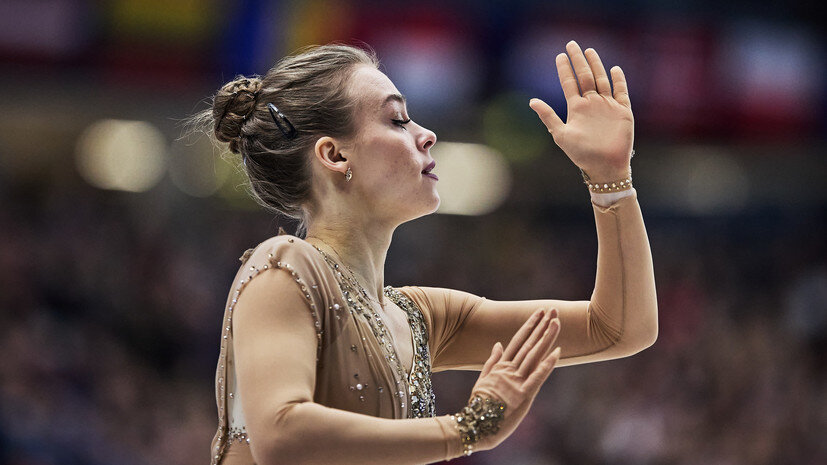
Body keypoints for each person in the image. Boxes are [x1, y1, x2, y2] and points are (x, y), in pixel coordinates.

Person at [204, 40, 658, 465]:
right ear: (335, 155)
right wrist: (466, 429)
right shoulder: (283, 267)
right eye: (398, 120)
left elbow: (618, 327)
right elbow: (282, 433)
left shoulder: (418, 318)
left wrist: (611, 180)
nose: (427, 135)